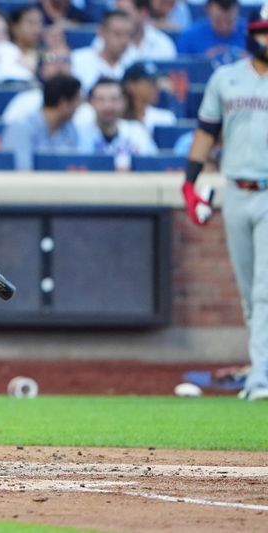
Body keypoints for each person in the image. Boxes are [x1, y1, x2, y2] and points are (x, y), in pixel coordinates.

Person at [181, 5, 268, 401]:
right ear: (252, 33)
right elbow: (206, 131)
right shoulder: (226, 77)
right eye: (265, 31)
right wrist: (189, 182)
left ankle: (261, 378)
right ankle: (261, 366)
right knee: (249, 291)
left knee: (266, 289)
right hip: (236, 189)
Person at [1, 73, 84, 170]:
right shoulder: (21, 128)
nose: (79, 106)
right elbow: (21, 173)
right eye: (77, 101)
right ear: (63, 104)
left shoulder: (70, 129)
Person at [78, 77, 158, 170]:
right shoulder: (79, 133)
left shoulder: (137, 131)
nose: (108, 106)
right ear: (91, 102)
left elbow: (153, 165)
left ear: (124, 101)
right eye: (101, 99)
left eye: (114, 99)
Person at [72, 10, 136, 92]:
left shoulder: (135, 63)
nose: (124, 40)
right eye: (117, 34)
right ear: (101, 32)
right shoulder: (78, 60)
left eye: (128, 34)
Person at [177, 0, 248, 65]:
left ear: (237, 11)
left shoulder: (252, 34)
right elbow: (182, 70)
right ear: (208, 11)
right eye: (218, 21)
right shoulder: (189, 37)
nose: (224, 27)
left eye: (229, 21)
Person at [121, 61, 177, 134]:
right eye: (150, 82)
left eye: (156, 82)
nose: (156, 87)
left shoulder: (166, 118)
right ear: (131, 85)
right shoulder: (115, 118)